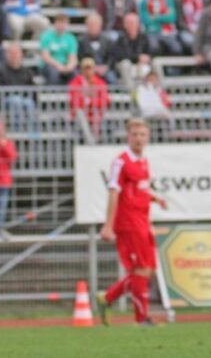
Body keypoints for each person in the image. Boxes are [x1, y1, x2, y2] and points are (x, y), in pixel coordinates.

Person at [97, 119, 168, 326]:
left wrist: (155, 199)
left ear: (148, 137)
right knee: (141, 270)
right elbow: (114, 192)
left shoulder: (143, 161)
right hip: (128, 223)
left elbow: (139, 189)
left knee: (147, 270)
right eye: (135, 134)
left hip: (143, 221)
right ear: (128, 136)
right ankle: (142, 318)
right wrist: (108, 225)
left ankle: (107, 298)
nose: (138, 138)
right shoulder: (121, 162)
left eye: (142, 134)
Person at [69, 57, 111, 139]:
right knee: (80, 116)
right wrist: (91, 99)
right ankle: (91, 142)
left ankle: (95, 140)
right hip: (82, 114)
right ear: (81, 70)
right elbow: (75, 102)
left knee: (102, 118)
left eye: (90, 68)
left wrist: (88, 99)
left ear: (94, 69)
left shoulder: (100, 82)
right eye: (86, 69)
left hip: (96, 113)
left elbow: (105, 100)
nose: (88, 71)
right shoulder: (75, 82)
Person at [39, 13, 78, 85]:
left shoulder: (71, 38)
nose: (61, 25)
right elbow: (46, 56)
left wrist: (68, 67)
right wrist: (59, 66)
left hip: (65, 65)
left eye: (64, 23)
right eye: (59, 22)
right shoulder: (46, 36)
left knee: (75, 74)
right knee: (53, 73)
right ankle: (53, 92)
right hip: (50, 65)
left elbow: (73, 58)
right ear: (55, 23)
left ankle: (73, 92)